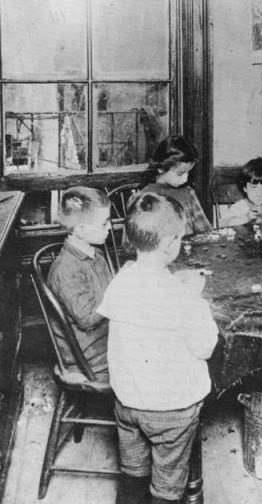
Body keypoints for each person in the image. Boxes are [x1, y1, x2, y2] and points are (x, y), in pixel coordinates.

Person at [97, 192, 219, 504]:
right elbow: (205, 348)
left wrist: (177, 285)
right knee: (167, 485)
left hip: (128, 402)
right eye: (178, 236)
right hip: (172, 409)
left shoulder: (122, 280)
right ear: (169, 244)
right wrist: (194, 298)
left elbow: (148, 300)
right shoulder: (186, 301)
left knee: (133, 474)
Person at [48, 186, 113, 382]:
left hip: (104, 338)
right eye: (104, 223)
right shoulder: (66, 269)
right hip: (89, 356)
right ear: (81, 230)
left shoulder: (95, 255)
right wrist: (120, 294)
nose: (109, 227)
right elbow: (87, 319)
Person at [139, 135, 212, 236]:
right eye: (180, 173)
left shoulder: (188, 193)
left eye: (188, 172)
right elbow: (136, 243)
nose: (186, 178)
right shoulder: (143, 198)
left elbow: (205, 231)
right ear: (161, 168)